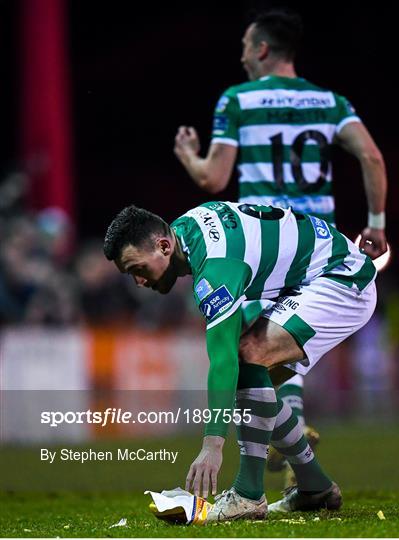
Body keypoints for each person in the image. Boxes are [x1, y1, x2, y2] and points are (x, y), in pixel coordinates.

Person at [173, 7, 388, 483]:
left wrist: (189, 156)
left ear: (264, 49)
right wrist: (376, 223)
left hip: (257, 244)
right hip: (317, 242)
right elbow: (371, 155)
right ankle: (297, 451)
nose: (242, 55)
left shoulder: (237, 100)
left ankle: (275, 460)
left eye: (247, 46)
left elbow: (214, 177)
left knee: (253, 347)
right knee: (278, 348)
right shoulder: (330, 102)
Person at [103, 202, 377, 520]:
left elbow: (223, 362)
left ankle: (248, 495)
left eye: (138, 269)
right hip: (315, 274)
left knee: (248, 359)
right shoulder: (187, 230)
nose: (139, 281)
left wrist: (212, 447)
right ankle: (314, 486)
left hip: (343, 280)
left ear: (164, 246)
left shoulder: (216, 267)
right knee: (252, 390)